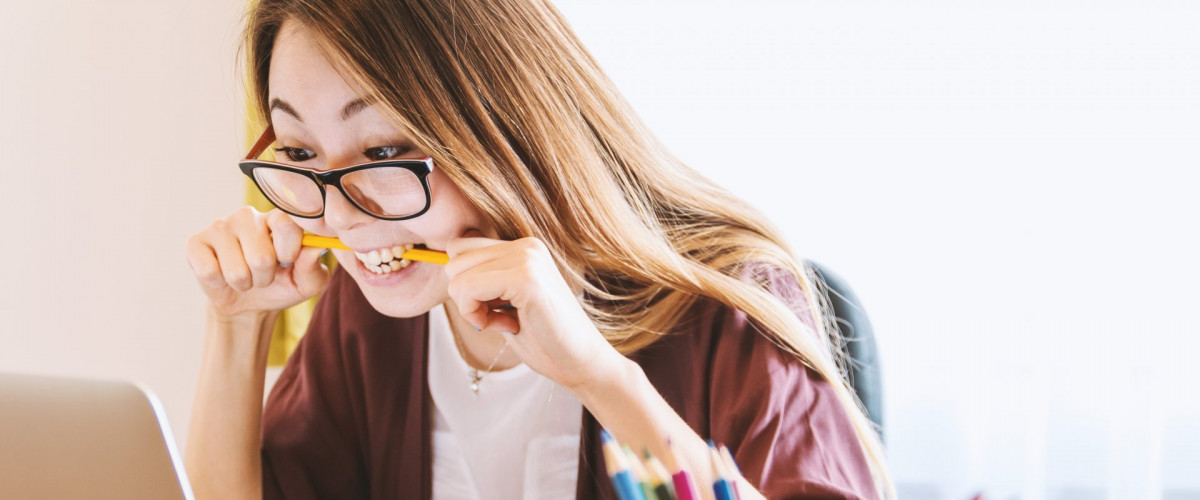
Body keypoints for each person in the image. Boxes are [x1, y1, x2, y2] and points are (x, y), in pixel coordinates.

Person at [184, 0, 893, 498]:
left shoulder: (725, 306)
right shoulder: (370, 310)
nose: (340, 216)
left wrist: (596, 376)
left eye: (385, 150)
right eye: (302, 151)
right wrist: (236, 325)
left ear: (505, 127)